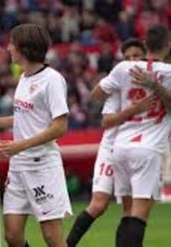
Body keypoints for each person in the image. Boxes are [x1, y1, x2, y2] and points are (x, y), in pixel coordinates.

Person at [0, 23, 71, 247]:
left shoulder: (52, 79)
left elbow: (60, 126)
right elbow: (27, 118)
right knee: (13, 236)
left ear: (24, 47)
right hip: (19, 166)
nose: (8, 48)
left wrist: (19, 145)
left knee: (52, 236)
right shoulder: (24, 77)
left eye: (12, 44)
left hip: (42, 166)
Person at [91, 24, 171, 247]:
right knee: (138, 216)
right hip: (147, 150)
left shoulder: (124, 68)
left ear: (145, 46)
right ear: (168, 46)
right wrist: (155, 86)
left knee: (127, 215)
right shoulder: (170, 73)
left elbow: (95, 94)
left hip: (120, 148)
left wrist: (121, 89)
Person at [66, 38, 149, 247]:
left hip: (137, 150)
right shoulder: (118, 88)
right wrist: (133, 110)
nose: (132, 62)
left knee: (130, 212)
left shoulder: (153, 87)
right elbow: (106, 121)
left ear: (146, 58)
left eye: (136, 57)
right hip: (112, 149)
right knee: (98, 205)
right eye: (128, 57)